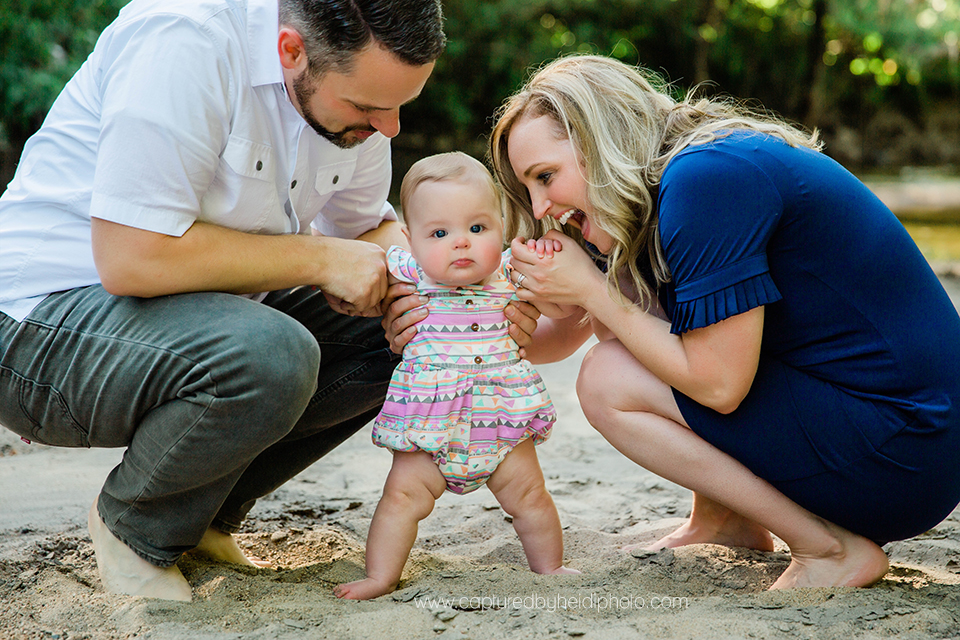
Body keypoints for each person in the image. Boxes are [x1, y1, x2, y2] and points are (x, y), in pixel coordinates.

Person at [0, 0, 450, 602]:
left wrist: (463, 297)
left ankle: (205, 516)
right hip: (39, 323)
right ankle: (135, 530)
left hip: (193, 322)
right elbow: (131, 257)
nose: (390, 127)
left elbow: (369, 232)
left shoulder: (354, 98)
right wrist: (319, 259)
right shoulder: (185, 39)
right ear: (293, 51)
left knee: (408, 328)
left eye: (401, 105)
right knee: (272, 353)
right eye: (369, 107)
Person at [481, 54, 960, 589]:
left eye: (545, 177)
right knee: (622, 329)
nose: (542, 206)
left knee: (607, 378)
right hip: (894, 433)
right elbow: (565, 333)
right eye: (528, 189)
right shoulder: (659, 191)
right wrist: (488, 317)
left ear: (600, 138)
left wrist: (591, 287)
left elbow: (720, 385)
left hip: (908, 448)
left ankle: (828, 550)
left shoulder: (707, 179)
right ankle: (724, 520)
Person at [335, 152, 578, 600]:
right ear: (411, 240)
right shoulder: (404, 274)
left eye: (477, 228)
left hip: (501, 425)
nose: (461, 243)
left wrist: (548, 258)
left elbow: (565, 305)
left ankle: (551, 567)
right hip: (428, 429)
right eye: (440, 233)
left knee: (530, 497)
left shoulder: (511, 273)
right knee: (401, 500)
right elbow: (352, 282)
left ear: (502, 227)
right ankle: (380, 576)